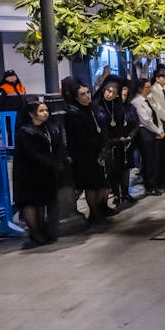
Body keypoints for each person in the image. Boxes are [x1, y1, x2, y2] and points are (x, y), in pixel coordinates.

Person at [14, 99, 68, 246]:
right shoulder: (25, 131)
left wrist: (58, 160)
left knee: (42, 202)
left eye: (46, 110)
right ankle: (35, 232)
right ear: (32, 114)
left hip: (46, 171)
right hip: (29, 173)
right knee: (31, 202)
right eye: (41, 111)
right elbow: (32, 154)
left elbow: (58, 146)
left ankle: (42, 230)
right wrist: (51, 163)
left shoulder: (48, 127)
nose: (45, 113)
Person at [65, 82, 115, 224]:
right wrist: (98, 146)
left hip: (100, 151)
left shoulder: (94, 108)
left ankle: (101, 208)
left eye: (88, 93)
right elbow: (81, 136)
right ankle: (94, 212)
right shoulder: (74, 113)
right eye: (83, 94)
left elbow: (103, 128)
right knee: (91, 185)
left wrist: (105, 145)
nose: (87, 96)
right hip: (85, 154)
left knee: (103, 183)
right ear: (76, 97)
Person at [93, 77, 137, 207]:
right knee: (111, 171)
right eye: (108, 91)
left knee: (123, 167)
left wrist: (126, 137)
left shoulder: (118, 105)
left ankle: (124, 193)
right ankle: (116, 195)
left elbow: (125, 123)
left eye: (113, 92)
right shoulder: (97, 105)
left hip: (120, 142)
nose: (109, 94)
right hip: (107, 144)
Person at [131, 78, 164, 197]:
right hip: (144, 132)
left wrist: (159, 129)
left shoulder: (148, 99)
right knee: (148, 160)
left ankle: (155, 183)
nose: (150, 89)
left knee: (155, 159)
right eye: (147, 87)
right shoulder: (137, 102)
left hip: (152, 131)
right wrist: (157, 131)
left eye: (150, 86)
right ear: (140, 89)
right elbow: (145, 120)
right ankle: (149, 186)